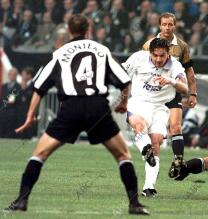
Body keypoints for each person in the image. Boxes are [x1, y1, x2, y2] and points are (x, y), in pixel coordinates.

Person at [5, 14, 149, 215]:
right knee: (123, 155)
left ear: (69, 31)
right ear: (88, 29)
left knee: (39, 155)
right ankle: (134, 204)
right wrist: (123, 103)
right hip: (97, 108)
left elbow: (39, 88)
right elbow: (125, 81)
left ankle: (22, 200)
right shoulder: (102, 50)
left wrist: (30, 116)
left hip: (70, 108)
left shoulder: (59, 53)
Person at [122, 38, 188, 197]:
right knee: (139, 125)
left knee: (156, 142)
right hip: (139, 102)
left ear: (168, 54)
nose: (158, 59)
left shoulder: (175, 65)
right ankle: (145, 149)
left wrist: (171, 81)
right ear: (150, 52)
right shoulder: (139, 58)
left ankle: (149, 187)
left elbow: (185, 88)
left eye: (162, 56)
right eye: (155, 55)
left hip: (160, 108)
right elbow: (120, 73)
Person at [142, 12, 197, 179]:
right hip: (152, 93)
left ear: (175, 25)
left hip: (173, 92)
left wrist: (193, 93)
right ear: (159, 25)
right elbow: (141, 68)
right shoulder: (148, 45)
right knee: (154, 135)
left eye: (170, 24)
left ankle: (178, 160)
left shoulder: (182, 46)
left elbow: (189, 71)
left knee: (176, 127)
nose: (167, 27)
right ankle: (152, 171)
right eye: (164, 24)